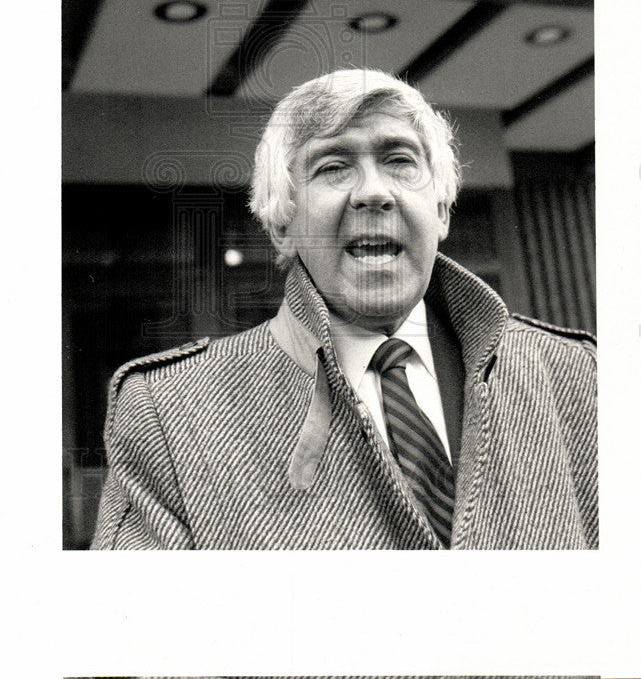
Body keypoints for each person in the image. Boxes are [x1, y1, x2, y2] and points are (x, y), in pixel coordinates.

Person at [91, 68, 597, 550]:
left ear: (441, 210)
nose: (374, 192)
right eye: (333, 167)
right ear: (281, 226)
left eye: (400, 160)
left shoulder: (575, 378)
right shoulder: (170, 413)